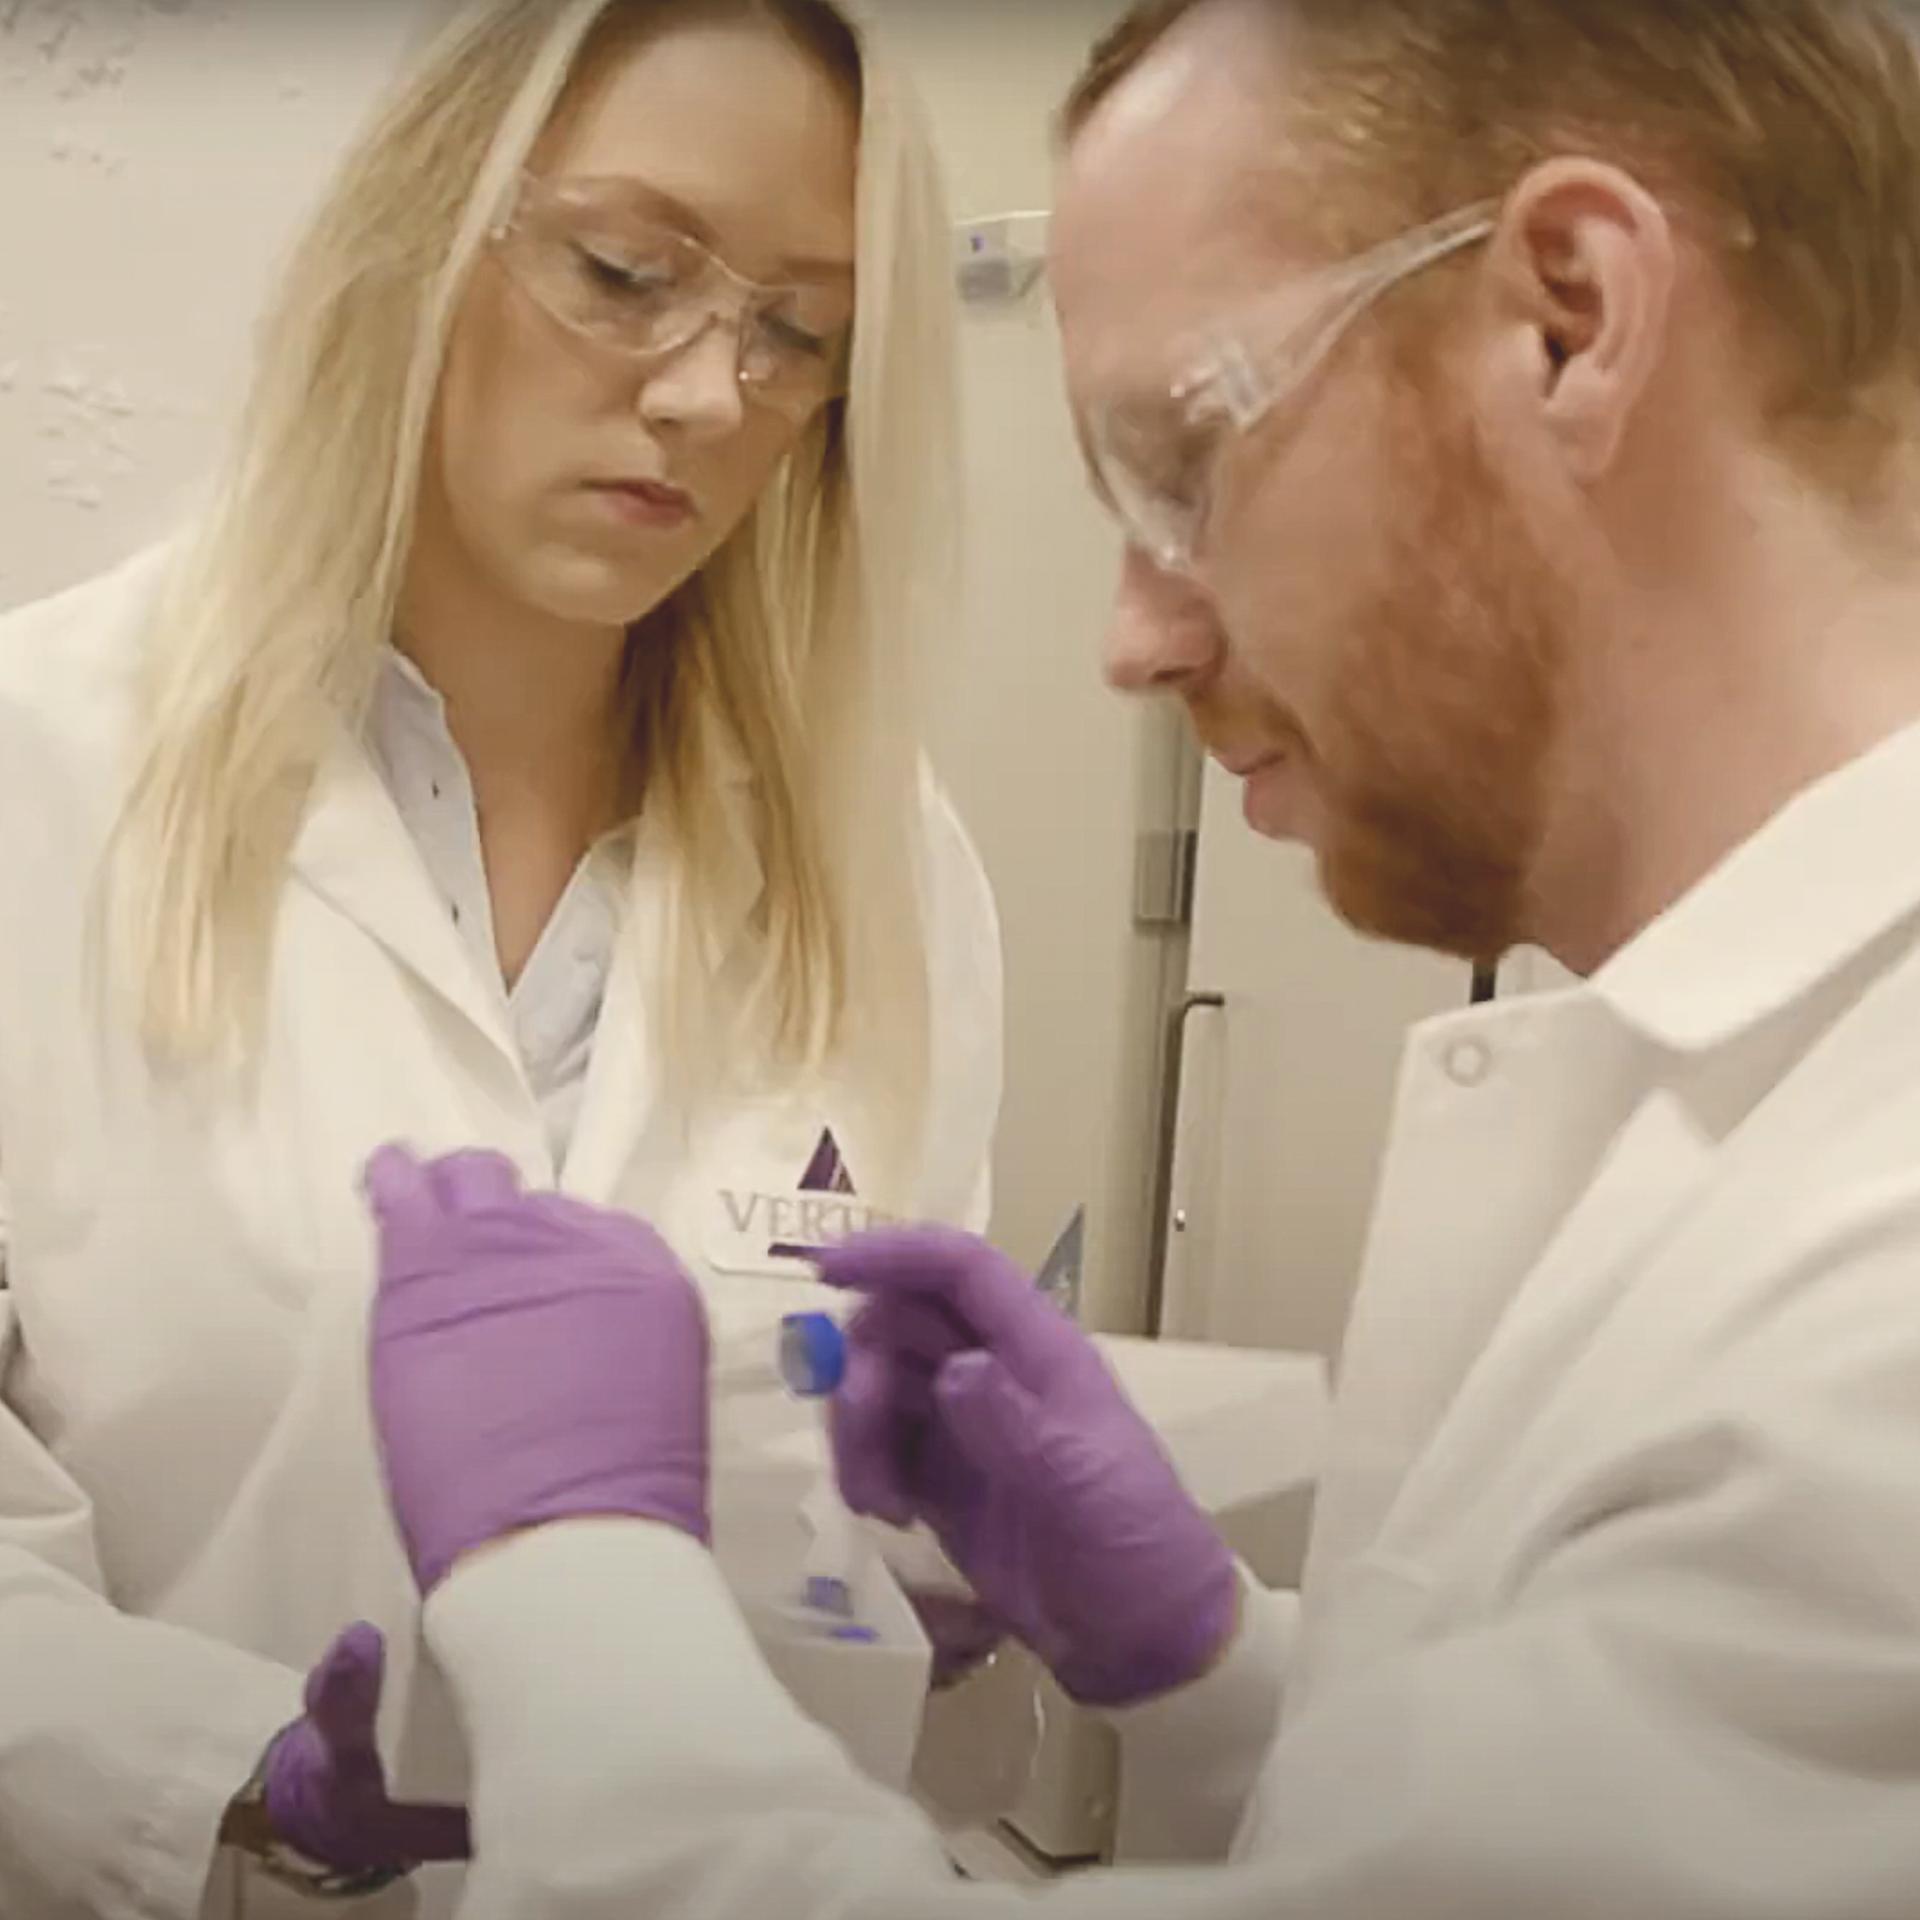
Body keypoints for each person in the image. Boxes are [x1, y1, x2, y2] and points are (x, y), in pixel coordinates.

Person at [352, 0, 1920, 1914]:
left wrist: (568, 1582)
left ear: (1569, 318)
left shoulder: (1878, 1269)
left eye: (1184, 456)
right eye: (619, 272)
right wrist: (1217, 1670)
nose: (1134, 642)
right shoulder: (1763, 1113)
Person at [0, 1, 1000, 1913]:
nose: (712, 393)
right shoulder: (40, 770)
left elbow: (863, 1481)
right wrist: (220, 1772)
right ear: (421, 236)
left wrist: (935, 1555)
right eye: (626, 274)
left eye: (797, 332)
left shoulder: (887, 862)